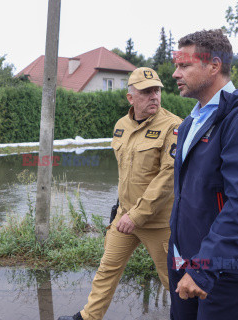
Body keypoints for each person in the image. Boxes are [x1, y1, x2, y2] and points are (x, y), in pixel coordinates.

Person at [169, 29, 238, 319]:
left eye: (184, 65)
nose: (175, 74)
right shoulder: (193, 119)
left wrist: (204, 268)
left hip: (228, 268)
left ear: (214, 66)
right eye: (175, 65)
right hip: (187, 259)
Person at [58, 67, 182, 320]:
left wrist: (136, 216)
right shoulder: (121, 126)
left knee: (174, 279)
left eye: (157, 90)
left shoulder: (174, 126)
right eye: (146, 92)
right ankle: (89, 317)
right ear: (131, 98)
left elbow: (167, 178)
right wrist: (120, 209)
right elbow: (126, 172)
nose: (154, 96)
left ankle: (200, 314)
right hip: (124, 217)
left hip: (158, 222)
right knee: (107, 269)